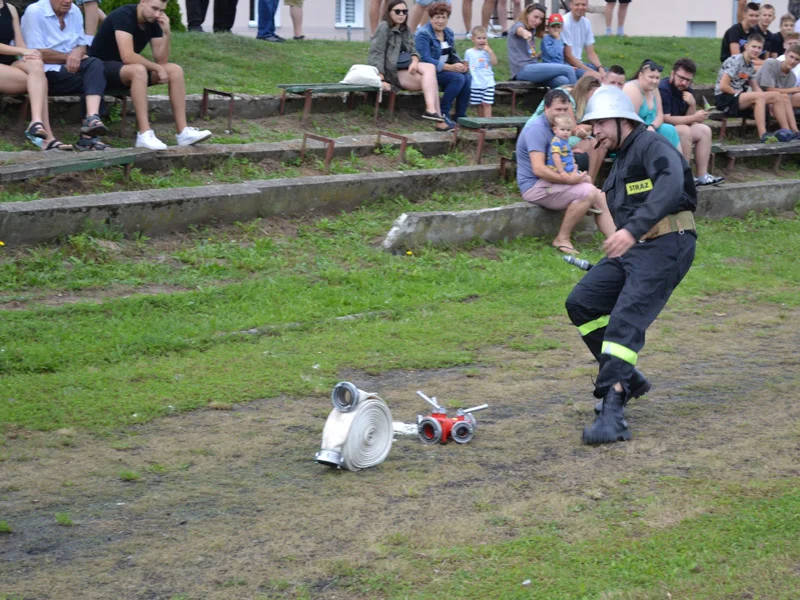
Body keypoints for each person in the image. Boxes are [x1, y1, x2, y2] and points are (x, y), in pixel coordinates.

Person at [567, 85, 698, 446]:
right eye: (592, 126)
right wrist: (623, 239)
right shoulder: (621, 157)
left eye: (601, 124)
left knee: (624, 321)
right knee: (583, 301)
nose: (596, 132)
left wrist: (632, 231)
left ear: (624, 120)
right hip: (637, 247)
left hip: (669, 243)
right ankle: (629, 376)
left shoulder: (652, 145)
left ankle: (613, 413)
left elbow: (671, 183)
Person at [88, 0, 212, 149]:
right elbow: (127, 55)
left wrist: (166, 33)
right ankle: (144, 134)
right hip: (99, 70)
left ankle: (183, 132)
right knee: (139, 70)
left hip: (125, 70)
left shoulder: (153, 20)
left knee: (175, 70)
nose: (157, 14)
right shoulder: (124, 15)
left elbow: (161, 60)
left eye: (161, 11)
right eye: (154, 8)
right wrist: (156, 67)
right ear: (143, 2)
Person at [516, 88, 615, 255]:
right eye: (557, 109)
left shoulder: (557, 127)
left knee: (600, 194)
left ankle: (616, 241)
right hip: (535, 186)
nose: (562, 113)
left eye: (565, 110)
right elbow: (538, 169)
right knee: (587, 192)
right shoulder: (536, 129)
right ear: (546, 108)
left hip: (551, 182)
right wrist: (570, 180)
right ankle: (562, 239)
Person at [21, 0, 109, 151]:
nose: (68, 1)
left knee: (95, 65)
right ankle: (88, 138)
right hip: (46, 71)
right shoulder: (34, 12)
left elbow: (81, 44)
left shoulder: (74, 10)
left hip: (69, 68)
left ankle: (92, 119)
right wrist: (69, 56)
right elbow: (36, 52)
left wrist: (77, 51)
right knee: (91, 80)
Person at [0, 0, 71, 150]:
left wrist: (30, 56)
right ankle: (48, 139)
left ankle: (36, 122)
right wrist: (22, 52)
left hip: (9, 65)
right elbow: (20, 50)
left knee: (37, 67)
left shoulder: (10, 9)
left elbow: (20, 43)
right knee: (38, 82)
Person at [369, 0, 449, 130]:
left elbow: (413, 49)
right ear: (389, 13)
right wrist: (381, 77)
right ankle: (437, 118)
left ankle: (432, 112)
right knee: (431, 79)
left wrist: (415, 61)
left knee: (430, 71)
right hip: (391, 72)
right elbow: (377, 53)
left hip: (404, 67)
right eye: (397, 11)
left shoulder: (405, 29)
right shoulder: (384, 27)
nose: (401, 14)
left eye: (404, 12)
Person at [715, 34, 794, 143]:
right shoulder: (735, 60)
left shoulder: (750, 65)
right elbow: (723, 86)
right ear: (746, 46)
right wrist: (737, 93)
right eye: (754, 46)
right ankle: (763, 134)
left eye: (759, 48)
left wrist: (769, 100)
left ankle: (788, 132)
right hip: (725, 98)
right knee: (759, 97)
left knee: (776, 96)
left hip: (738, 98)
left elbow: (756, 88)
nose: (756, 50)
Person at [659, 58, 724, 187]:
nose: (684, 83)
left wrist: (692, 105)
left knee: (704, 130)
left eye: (688, 80)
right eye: (681, 78)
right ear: (672, 74)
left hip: (680, 128)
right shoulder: (663, 88)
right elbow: (666, 118)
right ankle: (685, 176)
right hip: (663, 130)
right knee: (685, 130)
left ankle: (702, 175)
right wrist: (694, 118)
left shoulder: (687, 90)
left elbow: (688, 119)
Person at [416, 2, 470, 128]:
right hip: (429, 72)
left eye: (443, 17)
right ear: (431, 18)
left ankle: (460, 115)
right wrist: (450, 67)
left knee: (467, 76)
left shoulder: (448, 33)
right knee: (457, 78)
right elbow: (425, 59)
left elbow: (452, 54)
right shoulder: (423, 34)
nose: (440, 21)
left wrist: (460, 64)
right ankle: (443, 113)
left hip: (445, 69)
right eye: (437, 17)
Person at [507, 3, 576, 88]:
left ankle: (553, 100)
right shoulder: (518, 25)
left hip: (533, 67)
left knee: (562, 81)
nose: (538, 21)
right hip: (522, 70)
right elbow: (520, 30)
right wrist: (525, 33)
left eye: (541, 19)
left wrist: (542, 53)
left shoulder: (532, 30)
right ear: (527, 14)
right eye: (535, 17)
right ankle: (577, 100)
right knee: (568, 69)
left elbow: (530, 56)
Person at [623, 59, 680, 150]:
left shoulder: (654, 89)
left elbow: (660, 115)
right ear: (640, 75)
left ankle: (678, 162)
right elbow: (631, 122)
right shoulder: (632, 90)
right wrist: (647, 131)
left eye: (657, 78)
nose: (654, 81)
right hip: (636, 134)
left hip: (652, 129)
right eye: (651, 77)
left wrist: (652, 126)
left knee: (669, 130)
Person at [563, 0, 605, 81]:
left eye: (583, 4)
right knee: (595, 78)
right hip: (569, 66)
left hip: (580, 64)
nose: (580, 7)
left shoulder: (586, 23)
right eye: (577, 5)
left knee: (609, 74)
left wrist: (600, 68)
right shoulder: (565, 22)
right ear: (571, 5)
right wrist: (591, 72)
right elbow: (568, 56)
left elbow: (591, 53)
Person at [756, 44, 800, 121]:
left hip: (777, 102)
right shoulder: (771, 63)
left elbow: (785, 97)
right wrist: (795, 89)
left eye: (797, 59)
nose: (793, 61)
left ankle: (793, 130)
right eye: (791, 57)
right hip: (757, 95)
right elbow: (768, 89)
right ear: (785, 54)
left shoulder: (792, 77)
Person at [464, 25, 496, 117]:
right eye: (479, 38)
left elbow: (494, 63)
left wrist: (490, 52)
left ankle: (488, 124)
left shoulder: (487, 51)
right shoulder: (469, 52)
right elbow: (465, 65)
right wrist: (465, 68)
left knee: (487, 104)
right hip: (476, 83)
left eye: (484, 38)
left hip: (488, 83)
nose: (482, 40)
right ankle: (481, 124)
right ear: (472, 39)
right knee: (480, 105)